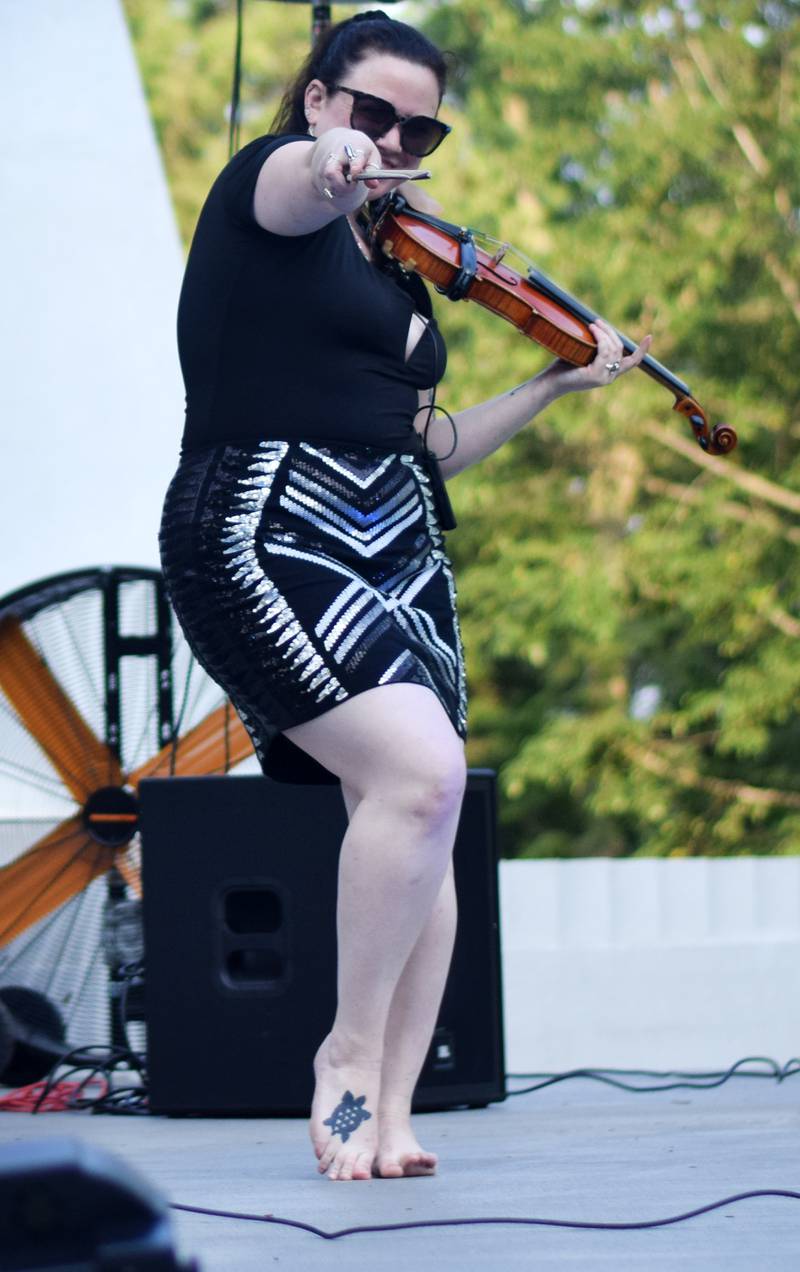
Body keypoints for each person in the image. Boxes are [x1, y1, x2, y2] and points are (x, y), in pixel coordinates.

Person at [159, 9, 649, 1182]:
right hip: (264, 525)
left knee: (425, 814)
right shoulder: (269, 190)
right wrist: (331, 162)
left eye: (414, 129)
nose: (388, 140)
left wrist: (550, 386)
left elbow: (427, 446)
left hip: (399, 544)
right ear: (318, 99)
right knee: (423, 777)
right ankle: (342, 1053)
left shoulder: (395, 266)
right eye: (368, 113)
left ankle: (387, 1111)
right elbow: (304, 179)